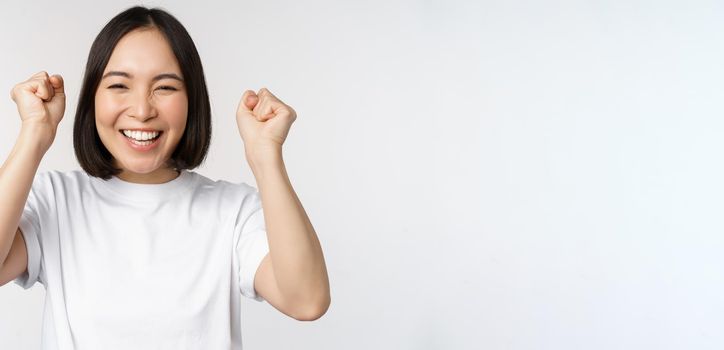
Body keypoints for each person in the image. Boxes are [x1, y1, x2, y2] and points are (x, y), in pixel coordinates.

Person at [0, 5, 330, 349]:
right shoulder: (56, 201)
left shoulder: (233, 212)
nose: (142, 110)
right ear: (91, 99)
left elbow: (306, 301)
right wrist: (34, 135)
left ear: (192, 100)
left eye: (166, 88)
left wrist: (266, 157)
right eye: (119, 85)